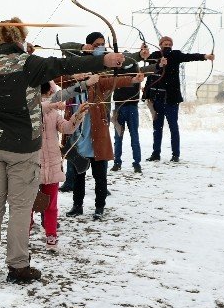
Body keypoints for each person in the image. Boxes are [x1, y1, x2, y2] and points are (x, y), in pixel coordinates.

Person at [0, 19, 125, 284]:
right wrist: (104, 60)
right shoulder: (27, 63)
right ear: (19, 39)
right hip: (23, 149)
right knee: (20, 207)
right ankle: (18, 266)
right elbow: (63, 65)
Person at [66, 33, 144, 221]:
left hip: (96, 132)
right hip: (77, 133)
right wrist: (76, 71)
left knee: (100, 174)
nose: (101, 47)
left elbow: (112, 80)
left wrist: (132, 79)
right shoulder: (70, 78)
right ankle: (77, 205)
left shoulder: (97, 79)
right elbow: (61, 71)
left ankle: (99, 207)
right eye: (96, 45)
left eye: (103, 44)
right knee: (78, 173)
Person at [32, 82, 88, 250]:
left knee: (51, 205)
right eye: (51, 90)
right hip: (32, 165)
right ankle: (22, 234)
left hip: (52, 164)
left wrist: (78, 115)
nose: (53, 92)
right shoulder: (29, 109)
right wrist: (52, 105)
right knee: (27, 204)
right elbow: (35, 111)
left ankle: (51, 235)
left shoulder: (54, 112)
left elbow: (66, 128)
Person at [143, 36, 214, 162]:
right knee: (157, 128)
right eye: (165, 43)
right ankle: (156, 154)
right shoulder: (154, 55)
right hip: (156, 100)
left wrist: (205, 56)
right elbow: (145, 58)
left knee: (173, 128)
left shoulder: (175, 55)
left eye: (170, 43)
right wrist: (144, 52)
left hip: (171, 99)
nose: (168, 45)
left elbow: (190, 57)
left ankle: (175, 155)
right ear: (160, 45)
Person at [110, 43, 154, 174]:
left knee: (134, 136)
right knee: (118, 137)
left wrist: (159, 65)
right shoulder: (116, 70)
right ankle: (117, 163)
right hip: (118, 107)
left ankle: (137, 164)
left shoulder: (137, 69)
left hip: (132, 107)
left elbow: (150, 68)